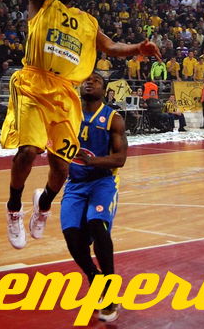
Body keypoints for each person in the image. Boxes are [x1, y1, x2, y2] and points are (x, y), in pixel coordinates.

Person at [1, 0, 161, 250]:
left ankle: (42, 206)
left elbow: (113, 47)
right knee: (28, 151)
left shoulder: (88, 23)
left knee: (61, 167)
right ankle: (13, 208)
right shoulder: (41, 2)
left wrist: (138, 46)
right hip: (32, 82)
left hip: (63, 92)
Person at [60, 72, 127, 323]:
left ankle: (109, 293)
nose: (90, 82)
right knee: (71, 234)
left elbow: (120, 159)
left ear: (104, 89)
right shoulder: (69, 115)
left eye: (96, 80)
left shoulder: (113, 118)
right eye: (86, 80)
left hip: (102, 181)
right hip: (75, 183)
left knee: (97, 225)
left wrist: (93, 161)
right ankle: (94, 276)